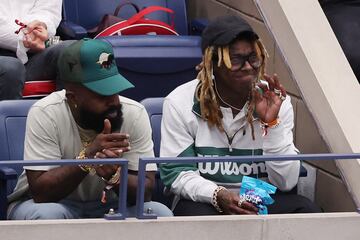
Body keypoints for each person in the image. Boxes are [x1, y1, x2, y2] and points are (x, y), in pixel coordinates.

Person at [159, 15, 321, 216]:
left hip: (260, 199)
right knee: (193, 215)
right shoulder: (179, 102)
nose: (248, 67)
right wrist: (218, 194)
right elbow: (178, 174)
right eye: (236, 59)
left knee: (306, 209)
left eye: (253, 58)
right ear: (212, 65)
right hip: (207, 201)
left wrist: (271, 123)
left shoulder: (275, 102)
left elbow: (286, 182)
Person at [7, 39, 173, 219]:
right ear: (73, 98)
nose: (113, 101)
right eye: (102, 94)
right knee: (48, 214)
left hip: (111, 205)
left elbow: (145, 193)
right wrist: (87, 158)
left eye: (115, 90)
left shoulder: (134, 113)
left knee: (159, 213)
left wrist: (115, 176)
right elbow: (41, 193)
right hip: (52, 204)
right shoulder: (46, 113)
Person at [0, 0, 73, 100]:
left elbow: (48, 11)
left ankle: (61, 114)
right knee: (12, 68)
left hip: (35, 53)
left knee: (71, 50)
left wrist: (41, 26)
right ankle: (10, 115)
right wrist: (24, 38)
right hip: (4, 57)